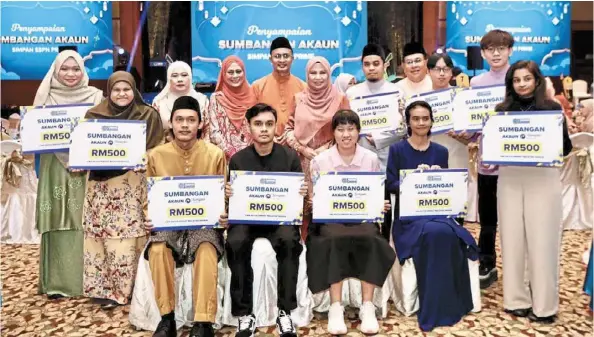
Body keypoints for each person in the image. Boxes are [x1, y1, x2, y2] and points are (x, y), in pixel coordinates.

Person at [386, 100, 478, 331]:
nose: (420, 123)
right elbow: (390, 183)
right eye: (415, 118)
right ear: (408, 122)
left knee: (448, 233)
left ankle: (451, 302)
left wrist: (438, 177)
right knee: (435, 233)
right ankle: (435, 306)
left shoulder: (441, 151)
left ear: (431, 121)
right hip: (409, 218)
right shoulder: (397, 150)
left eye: (425, 118)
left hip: (436, 212)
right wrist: (413, 178)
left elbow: (445, 189)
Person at [143, 96, 227, 337]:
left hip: (204, 224)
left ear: (200, 124)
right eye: (179, 120)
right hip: (169, 224)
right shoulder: (156, 156)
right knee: (158, 248)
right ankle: (167, 318)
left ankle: (203, 321)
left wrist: (223, 216)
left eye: (191, 120)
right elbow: (147, 197)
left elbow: (223, 197)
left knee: (207, 248)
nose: (185, 125)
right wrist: (150, 216)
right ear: (171, 123)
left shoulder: (215, 154)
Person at [495, 60, 572, 324]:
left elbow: (566, 148)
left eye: (526, 79)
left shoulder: (552, 110)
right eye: (516, 80)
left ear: (536, 80)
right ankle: (516, 300)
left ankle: (545, 306)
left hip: (543, 179)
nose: (522, 84)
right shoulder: (500, 112)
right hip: (510, 178)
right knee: (512, 241)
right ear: (510, 84)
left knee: (544, 242)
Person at [306, 110, 395, 335]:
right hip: (331, 220)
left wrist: (379, 205)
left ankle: (367, 306)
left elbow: (375, 193)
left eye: (351, 129)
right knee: (334, 238)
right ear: (333, 133)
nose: (346, 134)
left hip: (362, 218)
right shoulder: (320, 161)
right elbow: (314, 200)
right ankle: (336, 307)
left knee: (370, 237)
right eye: (340, 129)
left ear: (358, 132)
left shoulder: (370, 158)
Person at [82, 71, 164, 309]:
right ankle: (102, 287)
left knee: (127, 239)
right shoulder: (94, 115)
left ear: (134, 90)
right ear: (109, 91)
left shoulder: (148, 115)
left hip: (131, 184)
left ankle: (127, 289)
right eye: (116, 90)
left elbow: (157, 149)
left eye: (126, 89)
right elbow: (85, 148)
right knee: (100, 237)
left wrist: (136, 157)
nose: (121, 94)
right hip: (100, 187)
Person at [225, 103, 307, 337]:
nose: (264, 129)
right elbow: (234, 200)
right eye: (258, 124)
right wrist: (229, 193)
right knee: (235, 241)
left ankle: (284, 312)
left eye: (269, 124)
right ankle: (245, 314)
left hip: (279, 219)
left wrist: (299, 193)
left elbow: (297, 200)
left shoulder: (290, 157)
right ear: (249, 127)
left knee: (290, 241)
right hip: (247, 219)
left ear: (276, 127)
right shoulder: (238, 160)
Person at [33, 50, 104, 300]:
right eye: (65, 69)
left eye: (76, 69)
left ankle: (90, 281)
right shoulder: (45, 96)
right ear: (55, 70)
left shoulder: (95, 96)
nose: (71, 74)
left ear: (83, 71)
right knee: (57, 219)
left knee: (85, 218)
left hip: (85, 168)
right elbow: (33, 131)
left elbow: (102, 133)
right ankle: (57, 283)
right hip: (54, 166)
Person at [284, 57, 350, 238]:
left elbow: (347, 131)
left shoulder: (341, 99)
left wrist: (327, 149)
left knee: (328, 207)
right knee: (302, 210)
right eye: (313, 73)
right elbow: (288, 130)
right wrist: (302, 148)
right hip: (302, 161)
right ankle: (303, 255)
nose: (318, 77)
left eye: (323, 73)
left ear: (329, 74)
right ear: (307, 74)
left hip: (331, 161)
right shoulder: (298, 99)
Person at [346, 43, 405, 239]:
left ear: (384, 66)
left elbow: (405, 126)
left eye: (376, 63)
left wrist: (380, 138)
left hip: (389, 155)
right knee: (364, 205)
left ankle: (387, 247)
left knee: (388, 205)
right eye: (367, 64)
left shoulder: (396, 91)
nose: (371, 68)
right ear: (362, 67)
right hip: (360, 157)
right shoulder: (352, 93)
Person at [469, 29, 514, 289]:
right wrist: (464, 130)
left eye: (501, 48)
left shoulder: (521, 78)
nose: (496, 53)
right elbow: (474, 126)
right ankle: (487, 262)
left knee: (517, 219)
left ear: (510, 50)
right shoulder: (476, 85)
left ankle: (520, 267)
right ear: (483, 53)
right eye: (490, 49)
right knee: (488, 220)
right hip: (488, 163)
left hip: (518, 165)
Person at [252, 37, 306, 141]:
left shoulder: (304, 87)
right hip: (266, 143)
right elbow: (252, 118)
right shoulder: (258, 86)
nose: (282, 60)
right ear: (270, 59)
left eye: (286, 56)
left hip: (295, 145)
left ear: (292, 58)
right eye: (277, 56)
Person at [203, 56, 256, 160]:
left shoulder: (253, 96)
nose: (235, 75)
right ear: (223, 74)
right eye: (230, 72)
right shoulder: (217, 98)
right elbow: (214, 132)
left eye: (238, 71)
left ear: (244, 73)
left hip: (252, 156)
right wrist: (231, 153)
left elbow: (257, 127)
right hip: (226, 158)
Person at [152, 61, 209, 138]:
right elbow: (154, 133)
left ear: (190, 78)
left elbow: (207, 131)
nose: (180, 79)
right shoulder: (159, 102)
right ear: (169, 79)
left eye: (184, 75)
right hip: (166, 147)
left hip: (198, 147)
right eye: (175, 76)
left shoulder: (202, 100)